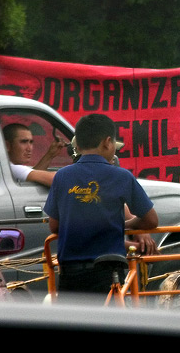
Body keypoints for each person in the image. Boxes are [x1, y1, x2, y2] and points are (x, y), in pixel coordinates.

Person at [44, 114, 159, 299]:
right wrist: (127, 225)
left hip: (69, 275)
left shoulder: (62, 177)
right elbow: (151, 220)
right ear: (107, 142)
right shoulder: (122, 176)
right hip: (108, 275)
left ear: (77, 146)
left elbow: (54, 226)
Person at [3, 122, 67, 187]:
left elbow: (33, 174)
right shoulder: (13, 168)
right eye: (24, 142)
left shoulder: (6, 168)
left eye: (31, 142)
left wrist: (50, 155)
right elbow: (57, 179)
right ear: (7, 145)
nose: (29, 148)